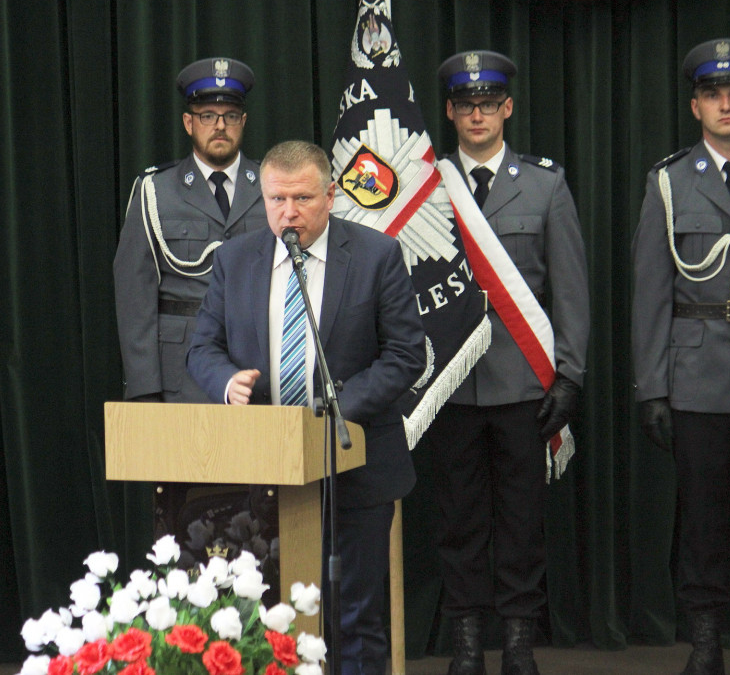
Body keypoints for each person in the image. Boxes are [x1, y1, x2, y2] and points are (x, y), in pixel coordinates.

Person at [187, 140, 426, 675]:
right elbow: (201, 348)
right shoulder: (234, 260)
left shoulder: (375, 255)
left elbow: (407, 353)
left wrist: (336, 407)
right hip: (260, 469)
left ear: (331, 195)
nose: (288, 213)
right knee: (265, 613)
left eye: (301, 199)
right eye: (276, 200)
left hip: (355, 461)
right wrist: (227, 382)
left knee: (355, 614)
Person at [427, 51, 589, 675]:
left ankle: (519, 641)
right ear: (449, 111)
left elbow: (570, 290)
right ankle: (467, 642)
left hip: (525, 380)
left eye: (488, 104)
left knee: (523, 519)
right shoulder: (427, 189)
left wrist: (570, 374)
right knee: (459, 519)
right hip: (451, 383)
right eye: (466, 105)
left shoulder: (545, 184)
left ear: (508, 108)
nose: (477, 115)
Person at [632, 38, 730, 675]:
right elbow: (651, 291)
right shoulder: (666, 182)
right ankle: (707, 641)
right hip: (694, 376)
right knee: (702, 518)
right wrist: (651, 388)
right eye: (713, 94)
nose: (726, 104)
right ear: (695, 105)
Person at [113, 56, 266, 404]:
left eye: (229, 116)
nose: (220, 126)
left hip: (258, 368)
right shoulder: (155, 191)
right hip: (179, 375)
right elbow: (134, 297)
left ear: (243, 121)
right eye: (208, 116)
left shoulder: (271, 189)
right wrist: (143, 388)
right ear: (188, 122)